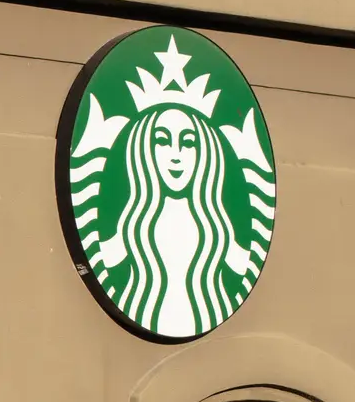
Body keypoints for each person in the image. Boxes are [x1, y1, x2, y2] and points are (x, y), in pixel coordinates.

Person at [98, 103, 251, 339]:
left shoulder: (216, 223)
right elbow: (103, 259)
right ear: (145, 152)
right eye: (162, 141)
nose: (176, 155)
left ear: (204, 153)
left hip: (204, 317)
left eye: (188, 143)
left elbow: (242, 267)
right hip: (142, 313)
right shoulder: (134, 220)